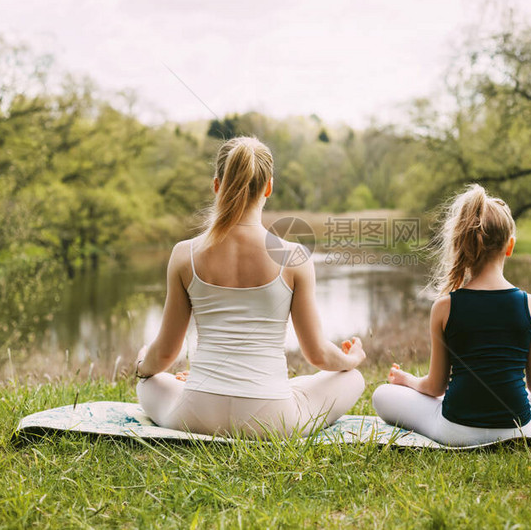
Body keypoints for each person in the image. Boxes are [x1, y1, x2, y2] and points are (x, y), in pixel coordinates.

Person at [134, 137, 366, 438]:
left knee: (149, 378)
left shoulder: (184, 254)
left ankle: (193, 382)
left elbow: (165, 353)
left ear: (216, 185)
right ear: (269, 187)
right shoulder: (293, 258)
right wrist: (351, 360)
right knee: (353, 379)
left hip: (194, 415)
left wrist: (142, 365)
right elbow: (318, 355)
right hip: (273, 422)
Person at [372, 184, 531, 446]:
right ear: (510, 246)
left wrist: (406, 381)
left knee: (381, 395)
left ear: (463, 246)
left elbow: (436, 387)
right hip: (519, 431)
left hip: (455, 431)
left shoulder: (444, 307)